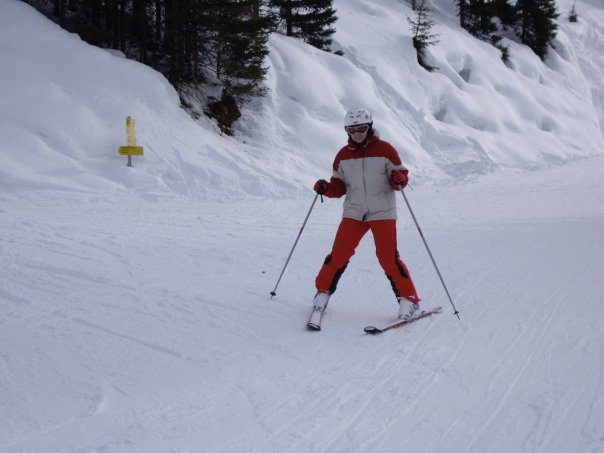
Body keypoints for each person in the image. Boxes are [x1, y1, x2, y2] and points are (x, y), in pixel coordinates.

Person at [307, 107, 421, 330]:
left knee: (388, 258)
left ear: (369, 127)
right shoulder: (342, 155)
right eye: (352, 129)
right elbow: (339, 187)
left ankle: (409, 300)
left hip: (382, 211)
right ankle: (322, 294)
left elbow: (400, 176)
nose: (357, 133)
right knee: (338, 255)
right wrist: (326, 188)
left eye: (361, 128)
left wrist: (400, 179)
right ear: (346, 130)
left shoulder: (385, 149)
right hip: (354, 211)